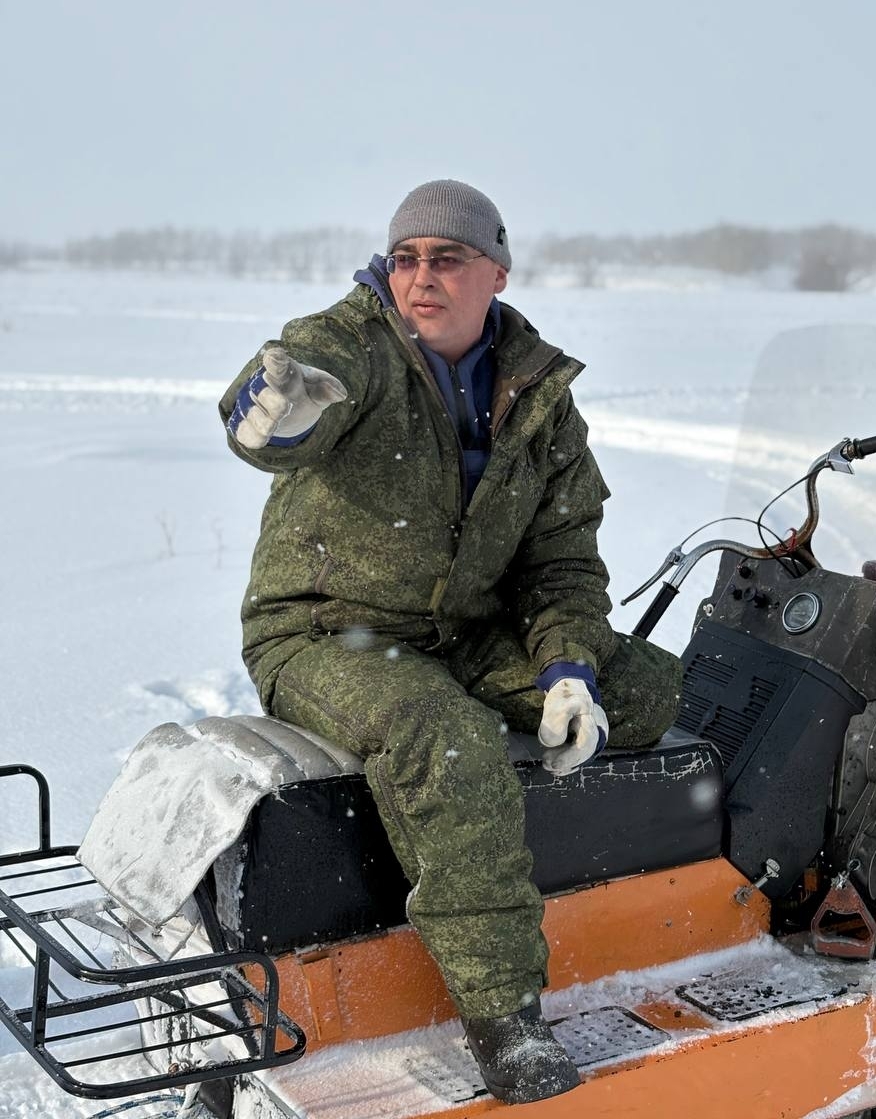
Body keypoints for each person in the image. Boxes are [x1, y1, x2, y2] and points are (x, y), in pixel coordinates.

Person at [219, 179, 680, 1104]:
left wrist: (567, 669)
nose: (420, 276)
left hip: (457, 632)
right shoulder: (354, 346)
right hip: (322, 632)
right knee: (447, 734)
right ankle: (503, 1015)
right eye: (405, 258)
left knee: (646, 691)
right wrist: (268, 410)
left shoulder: (539, 399)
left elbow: (560, 560)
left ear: (496, 273)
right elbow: (280, 404)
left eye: (447, 257)